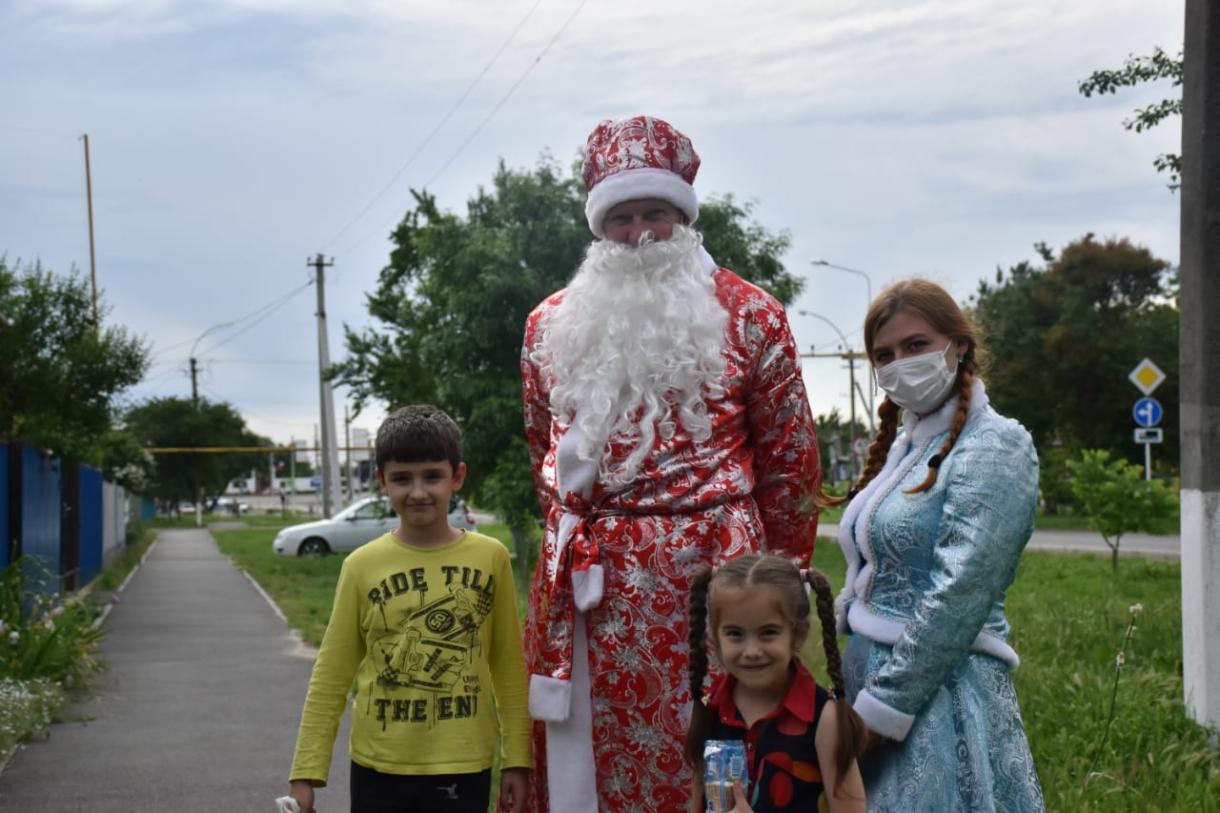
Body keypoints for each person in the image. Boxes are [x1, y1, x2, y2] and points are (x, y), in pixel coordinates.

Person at [520, 114, 822, 812]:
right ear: (600, 228)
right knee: (592, 770)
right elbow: (544, 448)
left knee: (716, 762)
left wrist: (772, 587)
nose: (640, 232)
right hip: (592, 595)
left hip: (715, 590)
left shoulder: (753, 315)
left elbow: (793, 468)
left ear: (683, 216)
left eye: (656, 211)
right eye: (621, 216)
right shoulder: (548, 325)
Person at [833, 279, 1046, 809]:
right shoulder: (906, 446)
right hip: (871, 682)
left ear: (960, 345)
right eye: (884, 354)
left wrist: (883, 709)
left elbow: (962, 592)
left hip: (943, 694)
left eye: (916, 345)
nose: (900, 362)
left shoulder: (996, 444)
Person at [286, 405, 531, 813]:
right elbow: (332, 673)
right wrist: (306, 771)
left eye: (432, 476)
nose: (418, 492)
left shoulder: (491, 558)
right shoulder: (361, 565)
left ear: (457, 476)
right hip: (378, 766)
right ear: (382, 481)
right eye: (402, 478)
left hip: (462, 764)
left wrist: (517, 760)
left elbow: (508, 664)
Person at [685, 555, 867, 813]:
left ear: (798, 633)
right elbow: (699, 798)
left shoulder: (823, 720)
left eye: (768, 632)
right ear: (716, 636)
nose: (751, 651)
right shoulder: (710, 709)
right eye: (735, 634)